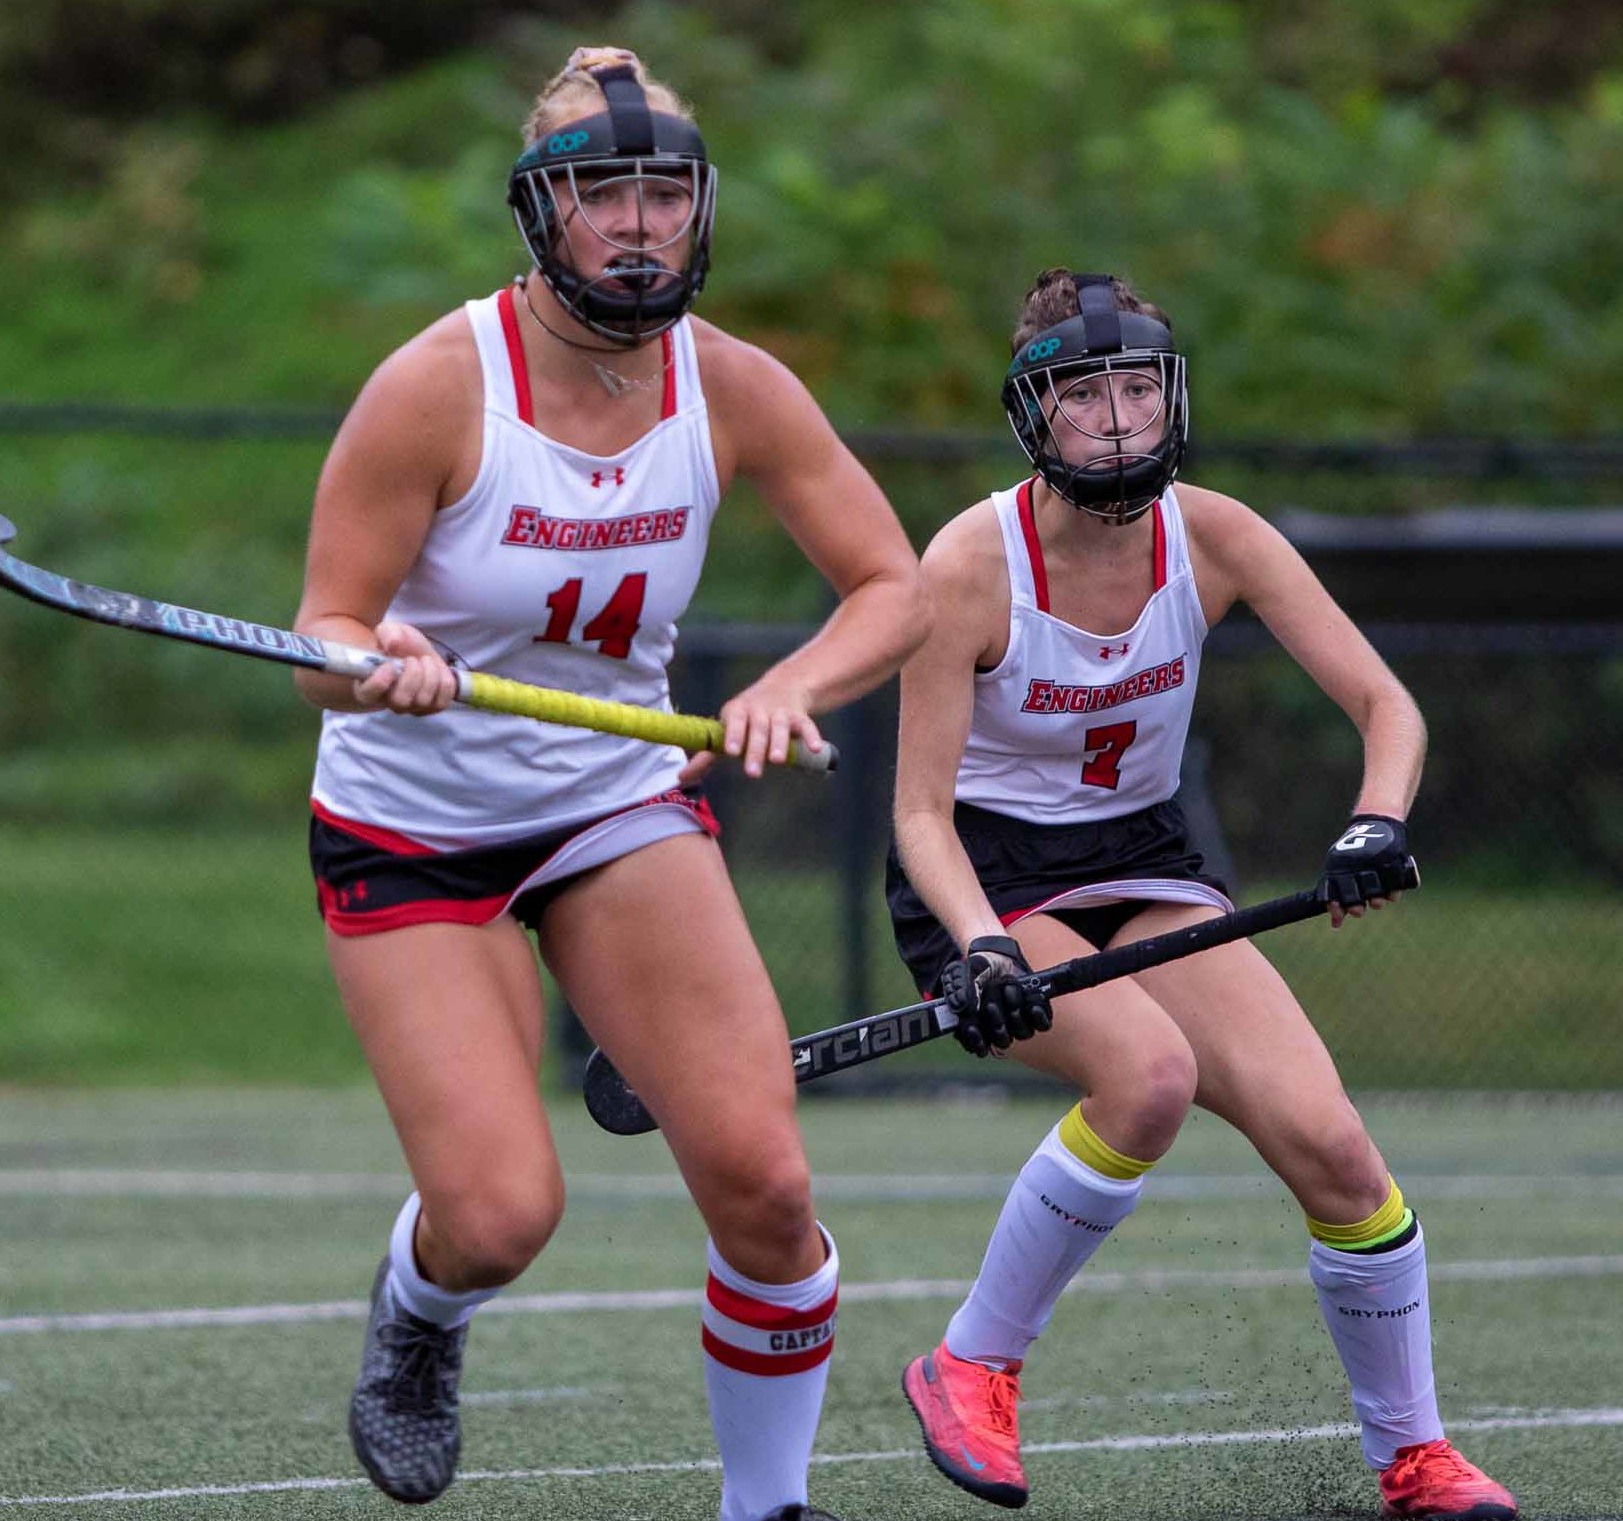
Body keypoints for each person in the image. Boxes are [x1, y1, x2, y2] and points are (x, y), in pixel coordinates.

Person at [291, 47, 924, 1521]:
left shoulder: (736, 386)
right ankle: (420, 1310)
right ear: (541, 213)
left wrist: (787, 688)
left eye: (663, 193)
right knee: (504, 1217)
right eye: (602, 193)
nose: (637, 224)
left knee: (766, 1186)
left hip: (612, 803)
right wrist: (374, 651)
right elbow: (317, 639)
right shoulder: (438, 388)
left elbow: (891, 586)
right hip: (413, 826)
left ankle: (764, 1508)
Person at [882, 269, 1518, 1519]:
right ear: (1033, 414)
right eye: (1083, 395)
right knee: (1148, 1077)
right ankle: (968, 1366)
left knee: (1335, 1150)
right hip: (990, 880)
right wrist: (982, 951)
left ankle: (1414, 1459)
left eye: (1136, 388)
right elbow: (917, 812)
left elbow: (1387, 707)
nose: (1116, 420)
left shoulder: (1216, 534)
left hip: (1150, 863)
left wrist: (1374, 821)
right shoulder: (966, 564)